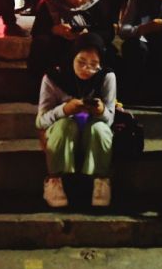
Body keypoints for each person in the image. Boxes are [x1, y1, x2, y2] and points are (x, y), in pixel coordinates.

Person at [36, 33, 116, 208]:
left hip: (91, 133)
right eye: (81, 62)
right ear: (72, 56)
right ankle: (55, 180)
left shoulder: (106, 77)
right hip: (63, 135)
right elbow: (41, 121)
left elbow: (109, 120)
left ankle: (100, 180)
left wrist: (101, 111)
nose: (87, 69)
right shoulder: (54, 77)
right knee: (65, 125)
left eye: (94, 65)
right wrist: (64, 109)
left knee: (100, 129)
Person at [28, 0, 112, 78]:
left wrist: (89, 35)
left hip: (87, 48)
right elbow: (36, 32)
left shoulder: (97, 5)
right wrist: (54, 30)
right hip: (58, 46)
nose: (79, 0)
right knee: (41, 44)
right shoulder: (50, 4)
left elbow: (109, 33)